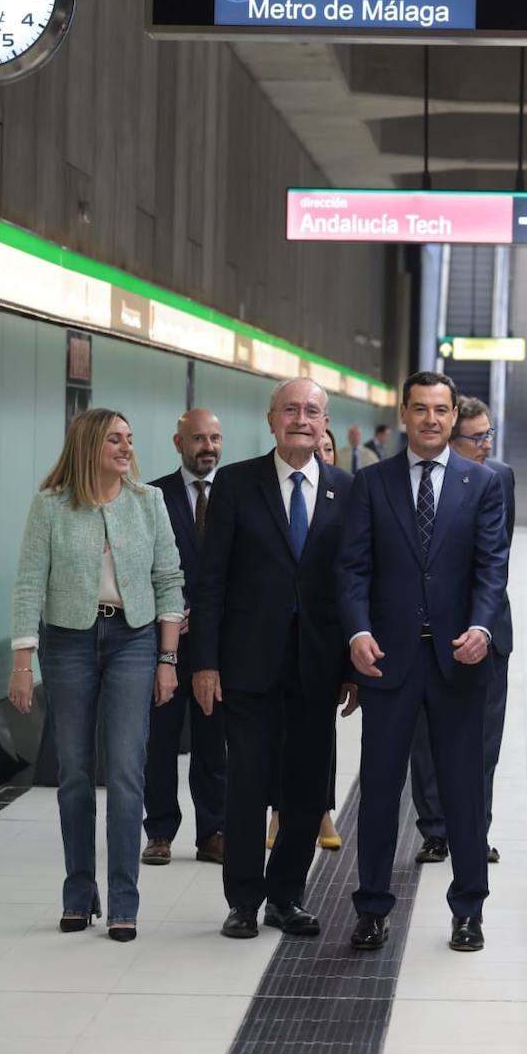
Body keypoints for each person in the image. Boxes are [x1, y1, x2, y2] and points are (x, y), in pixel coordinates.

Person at [338, 371, 509, 954]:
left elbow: (492, 566)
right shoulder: (372, 483)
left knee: (464, 793)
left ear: (454, 414)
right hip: (388, 661)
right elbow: (354, 569)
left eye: (442, 410)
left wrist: (483, 627)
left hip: (458, 662)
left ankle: (468, 911)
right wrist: (357, 631)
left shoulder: (482, 483)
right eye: (421, 409)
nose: (432, 419)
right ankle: (371, 908)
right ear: (405, 414)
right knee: (381, 792)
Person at [189, 378, 356, 940]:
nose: (301, 419)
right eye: (291, 409)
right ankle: (243, 899)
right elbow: (210, 582)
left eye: (312, 411)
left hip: (318, 666)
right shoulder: (237, 484)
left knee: (305, 789)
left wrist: (354, 668)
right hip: (248, 665)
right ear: (270, 420)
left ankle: (287, 897)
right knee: (248, 785)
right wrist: (205, 662)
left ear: (325, 422)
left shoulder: (346, 490)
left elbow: (354, 584)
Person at [9, 409, 183, 941]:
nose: (126, 447)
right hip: (68, 643)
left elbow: (169, 580)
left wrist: (167, 658)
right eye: (115, 439)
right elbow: (28, 583)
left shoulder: (147, 502)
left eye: (129, 439)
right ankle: (79, 892)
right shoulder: (51, 506)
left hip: (133, 639)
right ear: (89, 444)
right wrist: (22, 662)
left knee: (128, 772)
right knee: (76, 775)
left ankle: (125, 900)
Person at [409, 396, 514, 866]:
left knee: (482, 742)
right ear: (449, 437)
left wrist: (482, 623)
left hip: (487, 631)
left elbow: (496, 559)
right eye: (477, 438)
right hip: (427, 631)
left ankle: (475, 829)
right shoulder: (418, 484)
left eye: (489, 434)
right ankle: (434, 830)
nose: (486, 445)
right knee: (427, 739)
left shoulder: (499, 479)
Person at [142, 408, 227, 867]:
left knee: (215, 739)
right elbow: (142, 567)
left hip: (219, 643)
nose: (207, 447)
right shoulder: (153, 495)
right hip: (166, 643)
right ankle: (159, 831)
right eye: (198, 439)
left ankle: (213, 830)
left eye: (214, 438)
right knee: (161, 739)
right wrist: (169, 615)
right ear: (179, 443)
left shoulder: (235, 493)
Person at [267, 418, 343, 854]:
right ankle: (278, 807)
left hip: (321, 642)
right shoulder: (255, 485)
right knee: (274, 733)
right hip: (268, 643)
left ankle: (321, 808)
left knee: (319, 737)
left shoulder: (346, 492)